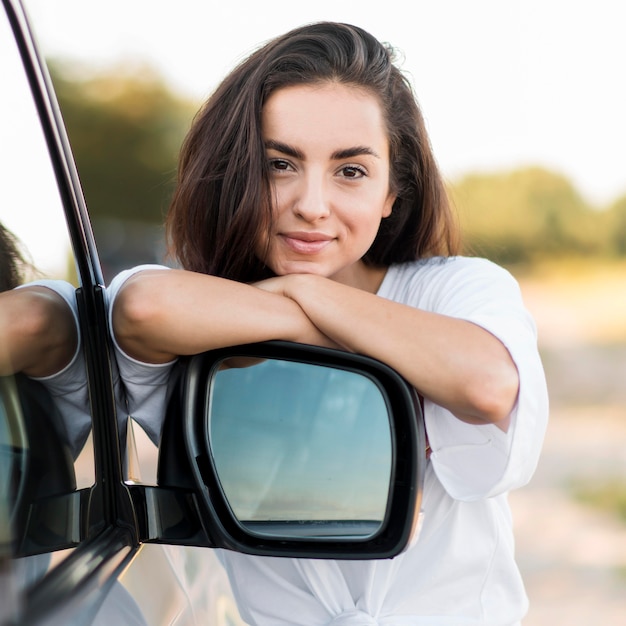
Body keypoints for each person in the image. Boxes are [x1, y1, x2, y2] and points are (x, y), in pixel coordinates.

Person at [109, 22, 549, 625]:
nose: (311, 204)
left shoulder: (454, 288)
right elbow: (141, 309)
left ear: (393, 191)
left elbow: (488, 386)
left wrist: (300, 289)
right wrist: (310, 307)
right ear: (234, 171)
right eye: (279, 164)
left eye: (350, 171)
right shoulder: (193, 308)